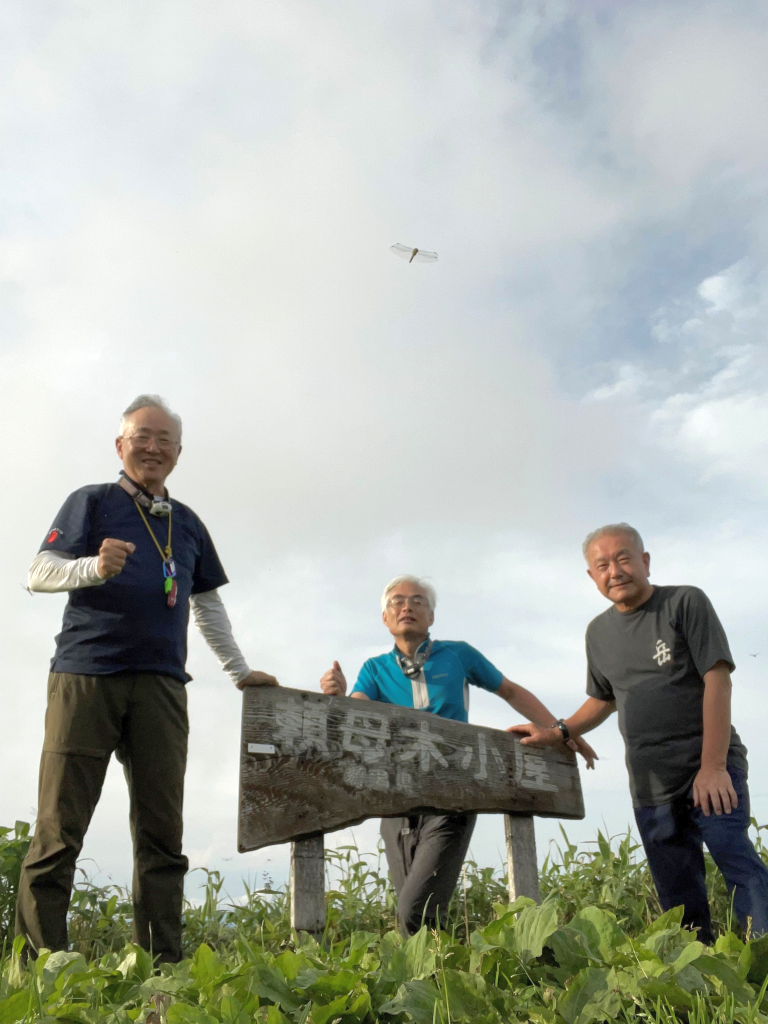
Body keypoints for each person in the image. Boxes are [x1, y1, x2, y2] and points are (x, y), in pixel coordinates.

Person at [16, 394, 278, 962]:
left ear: (179, 453)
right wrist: (93, 567)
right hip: (85, 677)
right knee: (60, 826)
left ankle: (162, 968)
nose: (153, 447)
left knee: (163, 835)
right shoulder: (90, 502)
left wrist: (239, 671)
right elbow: (36, 574)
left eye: (164, 439)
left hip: (162, 685)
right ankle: (44, 965)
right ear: (120, 445)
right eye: (142, 436)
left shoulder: (187, 524)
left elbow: (205, 606)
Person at [509, 523, 768, 944]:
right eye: (602, 565)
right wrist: (558, 731)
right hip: (651, 785)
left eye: (624, 558)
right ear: (592, 576)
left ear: (645, 561)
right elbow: (602, 700)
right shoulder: (598, 632)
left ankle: (762, 960)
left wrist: (713, 766)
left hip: (709, 769)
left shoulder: (684, 602)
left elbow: (718, 679)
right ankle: (698, 981)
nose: (615, 571)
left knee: (735, 860)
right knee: (677, 892)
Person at [319, 574, 596, 936]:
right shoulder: (375, 669)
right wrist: (336, 697)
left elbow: (509, 690)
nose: (407, 606)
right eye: (397, 602)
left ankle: (445, 982)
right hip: (397, 802)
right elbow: (358, 711)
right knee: (415, 924)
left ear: (431, 616)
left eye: (418, 600)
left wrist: (562, 731)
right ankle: (441, 985)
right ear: (384, 619)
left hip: (454, 795)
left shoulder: (458, 654)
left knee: (413, 911)